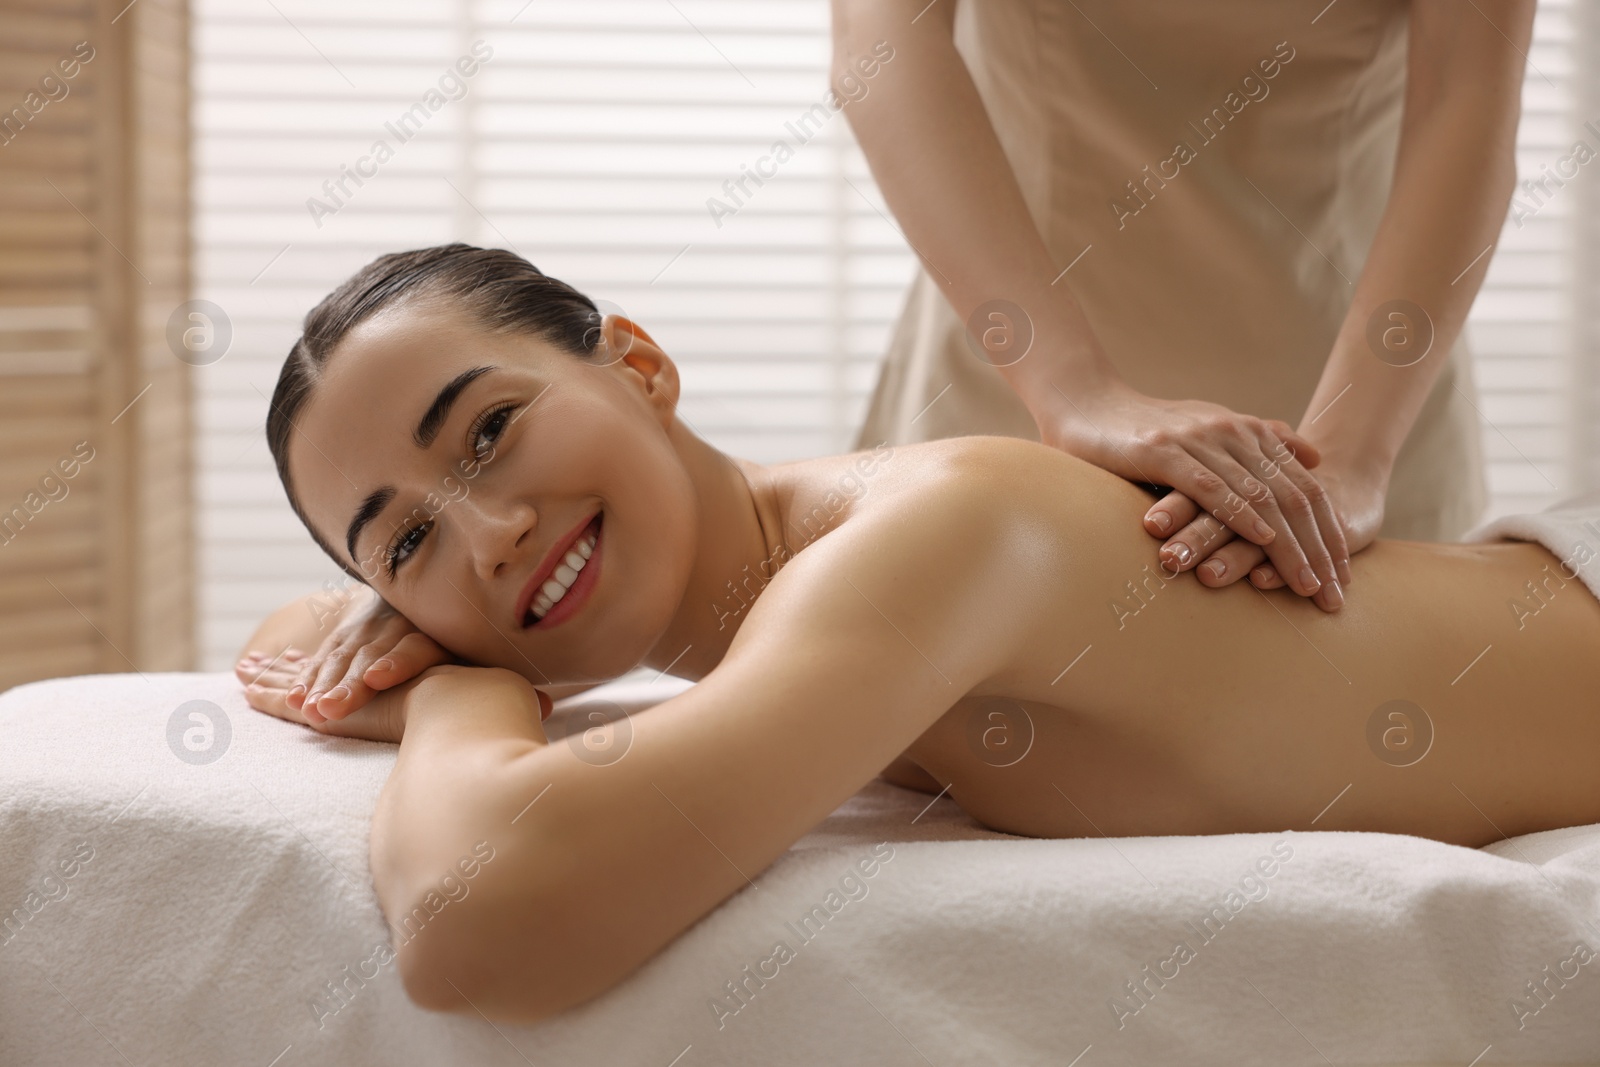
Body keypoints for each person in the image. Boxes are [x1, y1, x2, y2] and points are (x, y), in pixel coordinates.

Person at [236, 245, 1598, 1022]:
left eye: (488, 431)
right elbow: (289, 631)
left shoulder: (940, 529)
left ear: (640, 365)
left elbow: (480, 925)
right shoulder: (805, 619)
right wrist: (383, 631)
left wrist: (452, 693)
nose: (486, 536)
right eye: (407, 540)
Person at [831, 0, 1533, 613]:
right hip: (1016, 389)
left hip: (1367, 406)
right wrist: (1076, 394)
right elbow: (882, 47)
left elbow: (1466, 97)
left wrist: (1348, 463)